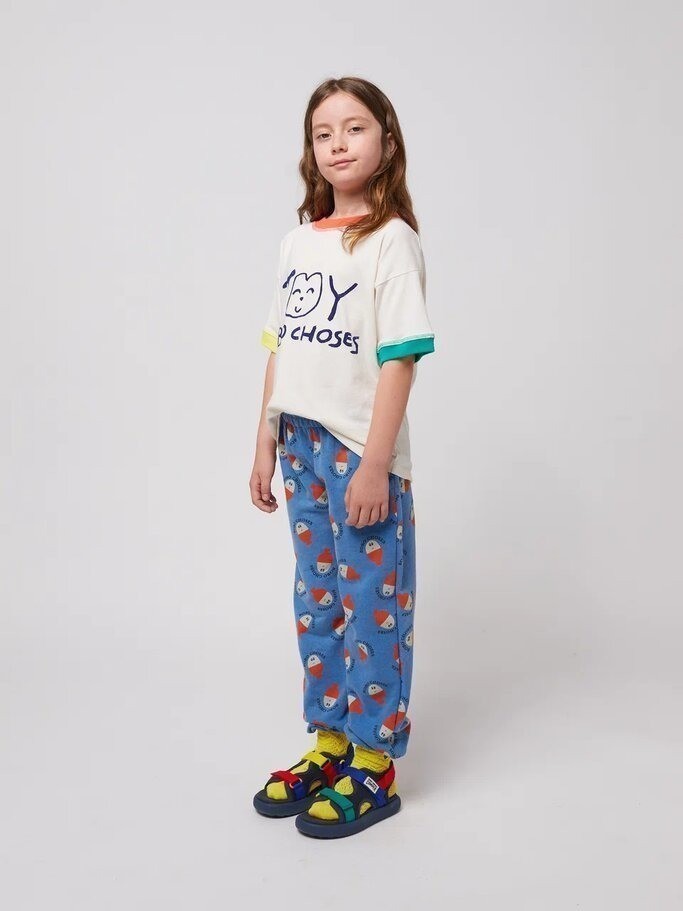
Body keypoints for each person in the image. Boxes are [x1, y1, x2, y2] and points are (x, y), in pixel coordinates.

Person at [249, 75, 436, 838]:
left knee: (372, 606)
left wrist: (374, 462)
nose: (337, 144)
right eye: (322, 133)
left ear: (386, 142)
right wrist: (263, 439)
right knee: (318, 601)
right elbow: (280, 346)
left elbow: (400, 358)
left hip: (359, 450)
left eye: (354, 128)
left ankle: (374, 759)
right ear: (310, 151)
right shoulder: (298, 242)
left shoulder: (391, 241)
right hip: (298, 441)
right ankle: (329, 742)